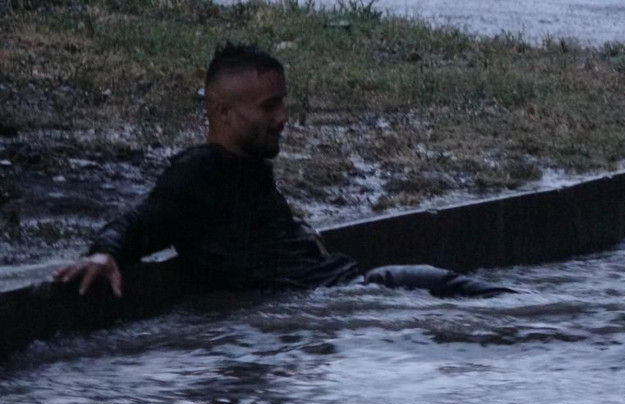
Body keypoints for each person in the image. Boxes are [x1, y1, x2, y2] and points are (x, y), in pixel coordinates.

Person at [54, 42, 514, 299]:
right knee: (458, 290)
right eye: (268, 106)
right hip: (342, 296)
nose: (283, 118)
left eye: (283, 103)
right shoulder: (199, 171)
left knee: (473, 294)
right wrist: (105, 253)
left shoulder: (249, 167)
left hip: (346, 292)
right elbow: (141, 220)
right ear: (223, 112)